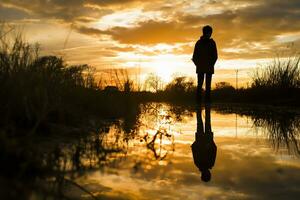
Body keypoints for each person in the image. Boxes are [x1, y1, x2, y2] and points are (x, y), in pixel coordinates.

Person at [191, 103, 217, 182]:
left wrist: (197, 142)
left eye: (207, 174)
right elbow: (214, 149)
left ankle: (199, 104)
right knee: (207, 119)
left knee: (199, 118)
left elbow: (193, 148)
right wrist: (211, 142)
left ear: (203, 174)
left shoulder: (198, 163)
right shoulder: (210, 164)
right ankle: (206, 104)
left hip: (200, 137)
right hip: (208, 138)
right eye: (208, 174)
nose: (208, 172)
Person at [192, 25, 218, 102]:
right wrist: (198, 64)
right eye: (209, 32)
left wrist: (211, 64)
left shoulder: (212, 43)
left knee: (207, 86)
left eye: (210, 33)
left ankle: (207, 102)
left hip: (208, 68)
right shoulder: (198, 43)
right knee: (200, 85)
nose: (210, 34)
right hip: (201, 68)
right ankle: (199, 102)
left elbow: (215, 56)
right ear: (205, 33)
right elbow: (194, 56)